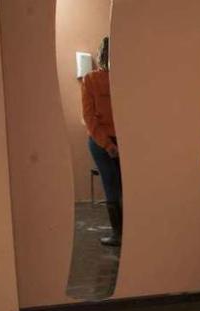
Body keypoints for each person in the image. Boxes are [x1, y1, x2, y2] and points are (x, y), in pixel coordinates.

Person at [82, 36, 122, 247]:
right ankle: (125, 232)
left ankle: (118, 234)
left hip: (100, 141)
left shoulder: (90, 80)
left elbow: (89, 119)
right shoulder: (125, 80)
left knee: (111, 185)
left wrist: (106, 145)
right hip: (122, 140)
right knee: (124, 186)